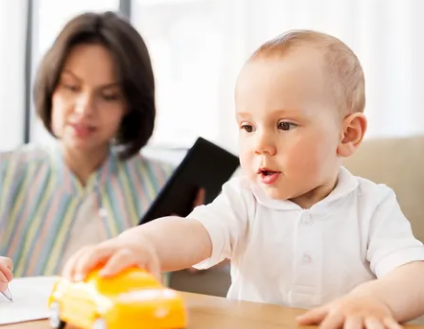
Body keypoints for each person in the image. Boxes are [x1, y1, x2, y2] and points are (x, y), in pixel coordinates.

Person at [63, 30, 424, 328]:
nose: (260, 144)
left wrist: (374, 299)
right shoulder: (244, 199)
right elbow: (193, 233)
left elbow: (415, 275)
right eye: (247, 126)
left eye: (285, 125)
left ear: (347, 135)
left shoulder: (372, 205)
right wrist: (142, 244)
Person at [0, 11, 199, 303]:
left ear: (130, 105)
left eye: (108, 95)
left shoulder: (164, 182)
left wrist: (208, 247)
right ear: (51, 87)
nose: (84, 108)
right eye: (71, 87)